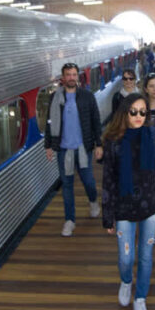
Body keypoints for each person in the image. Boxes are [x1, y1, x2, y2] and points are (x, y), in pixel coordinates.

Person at [100, 94, 155, 310]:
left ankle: (140, 299)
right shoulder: (113, 141)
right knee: (126, 257)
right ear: (125, 113)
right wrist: (107, 215)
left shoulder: (154, 135)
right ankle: (126, 280)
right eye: (134, 112)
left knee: (146, 256)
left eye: (143, 112)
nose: (139, 116)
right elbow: (108, 180)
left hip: (150, 205)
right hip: (124, 207)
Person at [45, 63, 103, 237]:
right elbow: (49, 122)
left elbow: (96, 120)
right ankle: (69, 220)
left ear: (78, 76)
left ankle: (93, 201)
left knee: (89, 181)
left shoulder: (87, 96)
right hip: (64, 150)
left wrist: (99, 144)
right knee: (67, 186)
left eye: (74, 74)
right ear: (63, 78)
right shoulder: (55, 98)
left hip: (83, 148)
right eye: (68, 74)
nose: (71, 77)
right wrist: (48, 146)